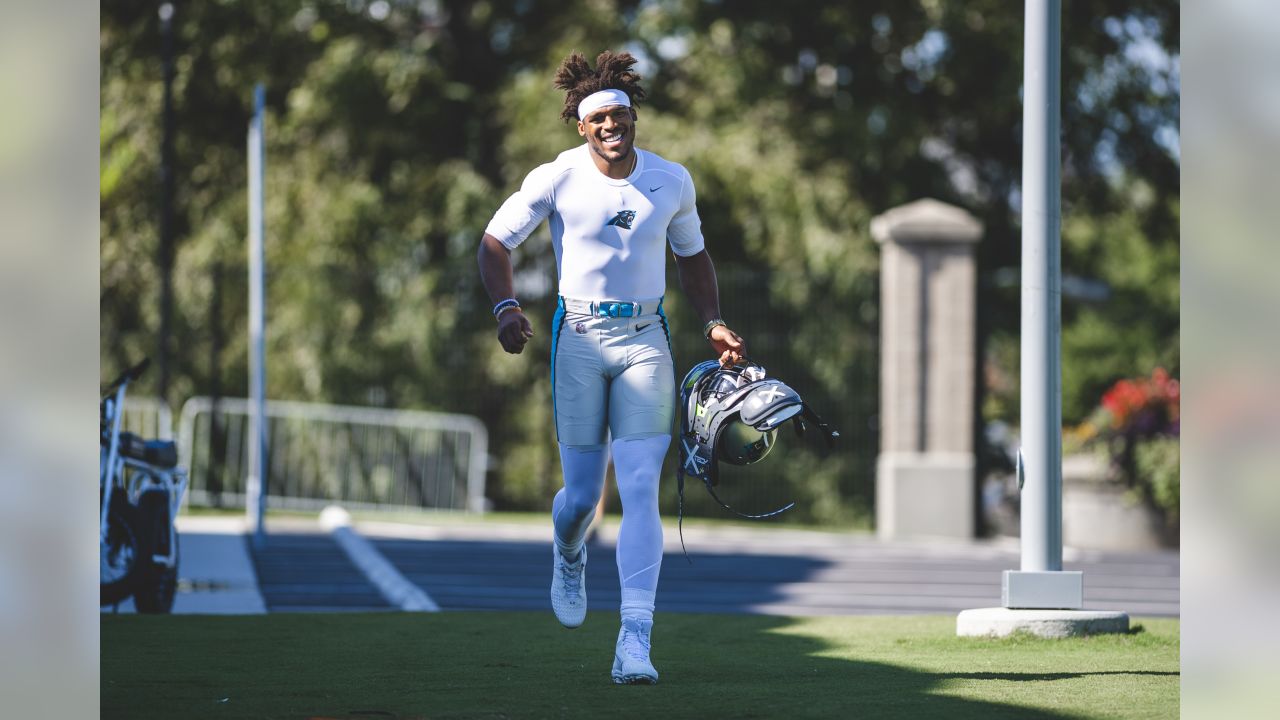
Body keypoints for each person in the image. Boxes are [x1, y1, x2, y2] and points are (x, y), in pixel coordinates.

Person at [476, 50, 745, 685]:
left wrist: (711, 320)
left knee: (641, 482)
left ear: (633, 118)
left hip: (646, 336)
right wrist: (507, 306)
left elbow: (694, 256)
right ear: (582, 125)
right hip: (580, 336)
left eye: (620, 115)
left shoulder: (672, 180)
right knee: (582, 498)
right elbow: (493, 242)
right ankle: (567, 550)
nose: (611, 126)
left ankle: (635, 637)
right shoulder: (557, 176)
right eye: (599, 118)